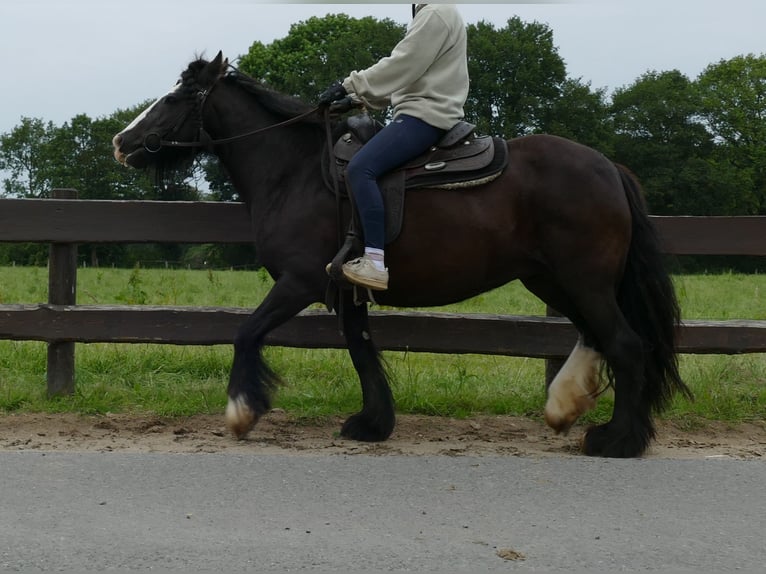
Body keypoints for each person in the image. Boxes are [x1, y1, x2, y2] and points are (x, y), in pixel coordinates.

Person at [318, 4, 469, 291]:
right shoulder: (435, 12)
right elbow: (409, 78)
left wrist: (350, 86)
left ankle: (374, 262)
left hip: (425, 116)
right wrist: (354, 100)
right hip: (421, 112)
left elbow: (403, 63)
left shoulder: (436, 13)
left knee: (361, 169)